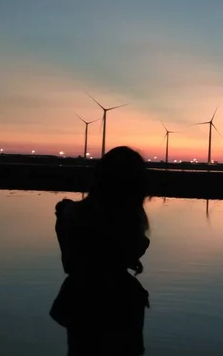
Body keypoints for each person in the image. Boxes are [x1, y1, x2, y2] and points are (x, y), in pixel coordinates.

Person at [50, 146, 151, 356]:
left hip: (78, 299)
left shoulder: (69, 215)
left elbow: (70, 261)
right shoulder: (127, 218)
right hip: (118, 302)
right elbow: (131, 248)